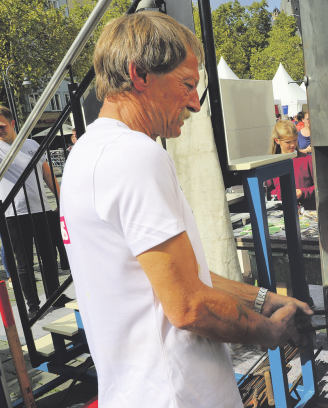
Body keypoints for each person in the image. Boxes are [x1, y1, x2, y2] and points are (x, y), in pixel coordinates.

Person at [60, 12, 313, 408]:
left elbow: (180, 277)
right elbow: (189, 305)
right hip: (176, 395)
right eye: (187, 84)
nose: (195, 103)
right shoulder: (134, 156)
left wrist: (264, 299)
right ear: (139, 74)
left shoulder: (86, 154)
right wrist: (268, 331)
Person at [0, 106, 66, 318]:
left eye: (1, 126)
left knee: (49, 255)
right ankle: (33, 305)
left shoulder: (31, 144)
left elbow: (47, 174)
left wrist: (61, 199)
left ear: (12, 123)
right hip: (13, 213)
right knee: (24, 261)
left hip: (41, 209)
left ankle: (55, 296)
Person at [266, 120, 316, 210]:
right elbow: (267, 191)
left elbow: (320, 188)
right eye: (288, 142)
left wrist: (302, 192)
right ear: (277, 140)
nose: (292, 145)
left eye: (294, 140)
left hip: (308, 212)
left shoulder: (308, 160)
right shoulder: (271, 163)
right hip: (281, 213)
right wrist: (281, 194)